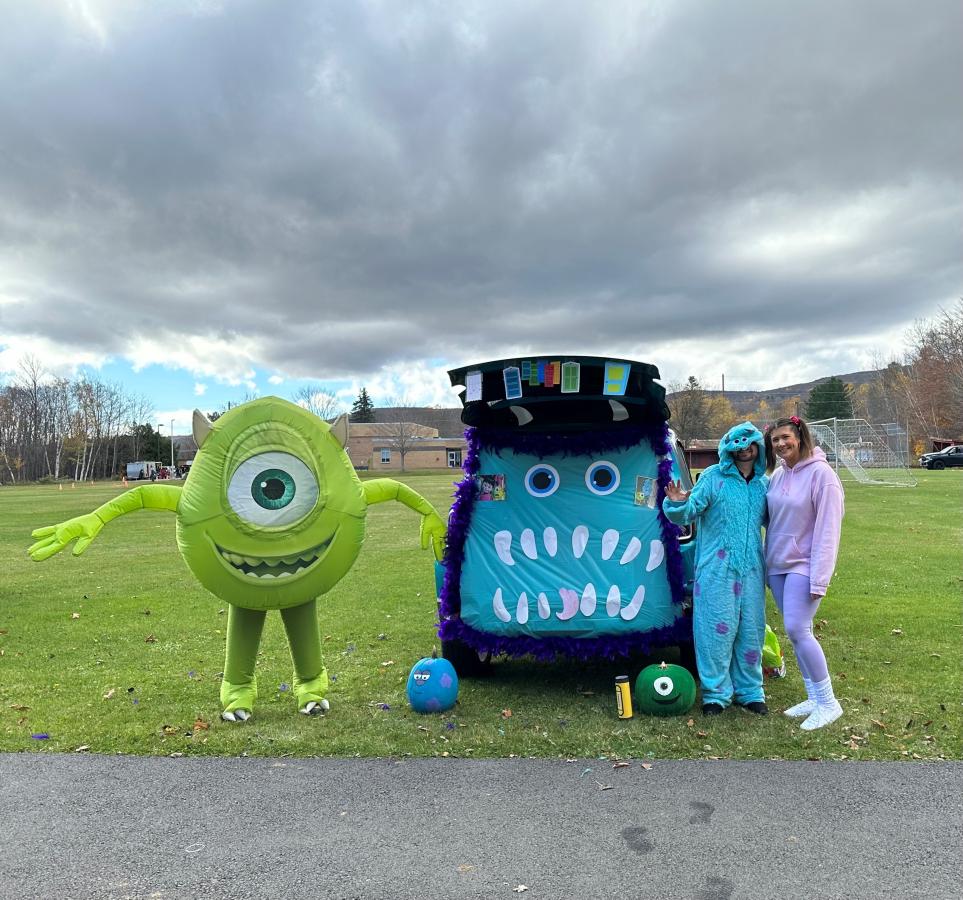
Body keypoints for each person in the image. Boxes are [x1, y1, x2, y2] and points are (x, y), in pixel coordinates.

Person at [663, 422, 769, 716]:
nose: (745, 449)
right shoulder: (713, 478)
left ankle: (750, 690)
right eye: (739, 445)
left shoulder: (764, 485)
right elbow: (688, 511)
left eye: (751, 444)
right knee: (715, 630)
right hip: (716, 570)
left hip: (751, 571)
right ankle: (715, 693)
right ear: (729, 448)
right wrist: (675, 504)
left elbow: (780, 524)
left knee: (751, 630)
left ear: (758, 447)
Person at [764, 415, 845, 731]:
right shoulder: (777, 476)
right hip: (779, 566)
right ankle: (813, 697)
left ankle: (829, 702)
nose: (781, 444)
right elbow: (771, 519)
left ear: (800, 436)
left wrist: (819, 577)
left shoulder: (822, 475)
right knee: (794, 634)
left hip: (804, 565)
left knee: (799, 630)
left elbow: (829, 529)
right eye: (775, 440)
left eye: (786, 437)